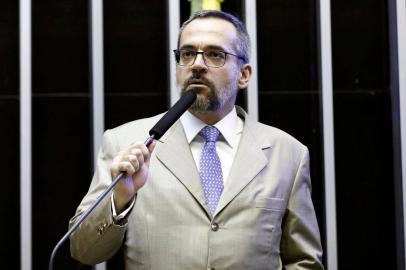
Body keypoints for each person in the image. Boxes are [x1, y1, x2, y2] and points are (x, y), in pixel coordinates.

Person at [70, 10, 324, 270]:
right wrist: (119, 200)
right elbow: (83, 251)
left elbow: (303, 261)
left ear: (244, 74)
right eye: (188, 54)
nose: (197, 64)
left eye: (215, 54)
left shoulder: (288, 153)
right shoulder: (126, 143)